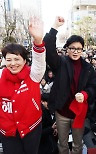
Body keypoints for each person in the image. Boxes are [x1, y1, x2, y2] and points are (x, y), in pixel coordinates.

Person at [43, 16, 96, 154]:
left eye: (79, 49)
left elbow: (93, 86)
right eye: (72, 48)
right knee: (62, 143)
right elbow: (48, 49)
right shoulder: (60, 63)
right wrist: (55, 27)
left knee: (77, 143)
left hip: (79, 112)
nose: (75, 51)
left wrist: (85, 94)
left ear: (82, 50)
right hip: (62, 112)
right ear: (67, 49)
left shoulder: (88, 68)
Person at [0, 17, 46, 154]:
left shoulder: (33, 74)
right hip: (7, 129)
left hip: (31, 128)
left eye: (16, 59)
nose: (12, 63)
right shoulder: (1, 75)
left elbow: (39, 61)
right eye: (8, 60)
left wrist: (38, 41)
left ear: (25, 60)